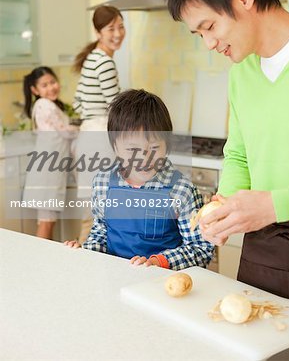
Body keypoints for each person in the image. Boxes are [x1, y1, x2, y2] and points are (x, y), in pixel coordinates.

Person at [164, 0, 289, 299]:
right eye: (199, 34)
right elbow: (238, 154)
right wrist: (224, 205)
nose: (209, 43)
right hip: (265, 243)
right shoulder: (242, 73)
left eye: (209, 26)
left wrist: (274, 204)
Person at [65, 89, 214, 270]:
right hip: (113, 280)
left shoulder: (181, 191)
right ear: (115, 147)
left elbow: (200, 249)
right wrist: (86, 252)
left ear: (167, 145)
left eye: (153, 148)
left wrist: (159, 262)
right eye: (131, 150)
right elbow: (101, 233)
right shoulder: (103, 183)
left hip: (161, 286)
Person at [73, 5, 126, 244]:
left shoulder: (91, 58)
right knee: (100, 217)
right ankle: (86, 273)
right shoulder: (103, 62)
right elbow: (116, 107)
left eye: (121, 26)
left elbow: (77, 103)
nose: (118, 33)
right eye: (111, 28)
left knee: (93, 215)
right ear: (98, 32)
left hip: (87, 139)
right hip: (100, 142)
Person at [23, 66, 78, 240]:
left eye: (53, 82)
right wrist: (84, 128)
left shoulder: (47, 105)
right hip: (47, 173)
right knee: (47, 221)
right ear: (34, 90)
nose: (51, 87)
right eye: (44, 85)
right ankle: (40, 263)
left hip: (49, 170)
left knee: (47, 220)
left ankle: (43, 262)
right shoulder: (44, 104)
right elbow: (65, 132)